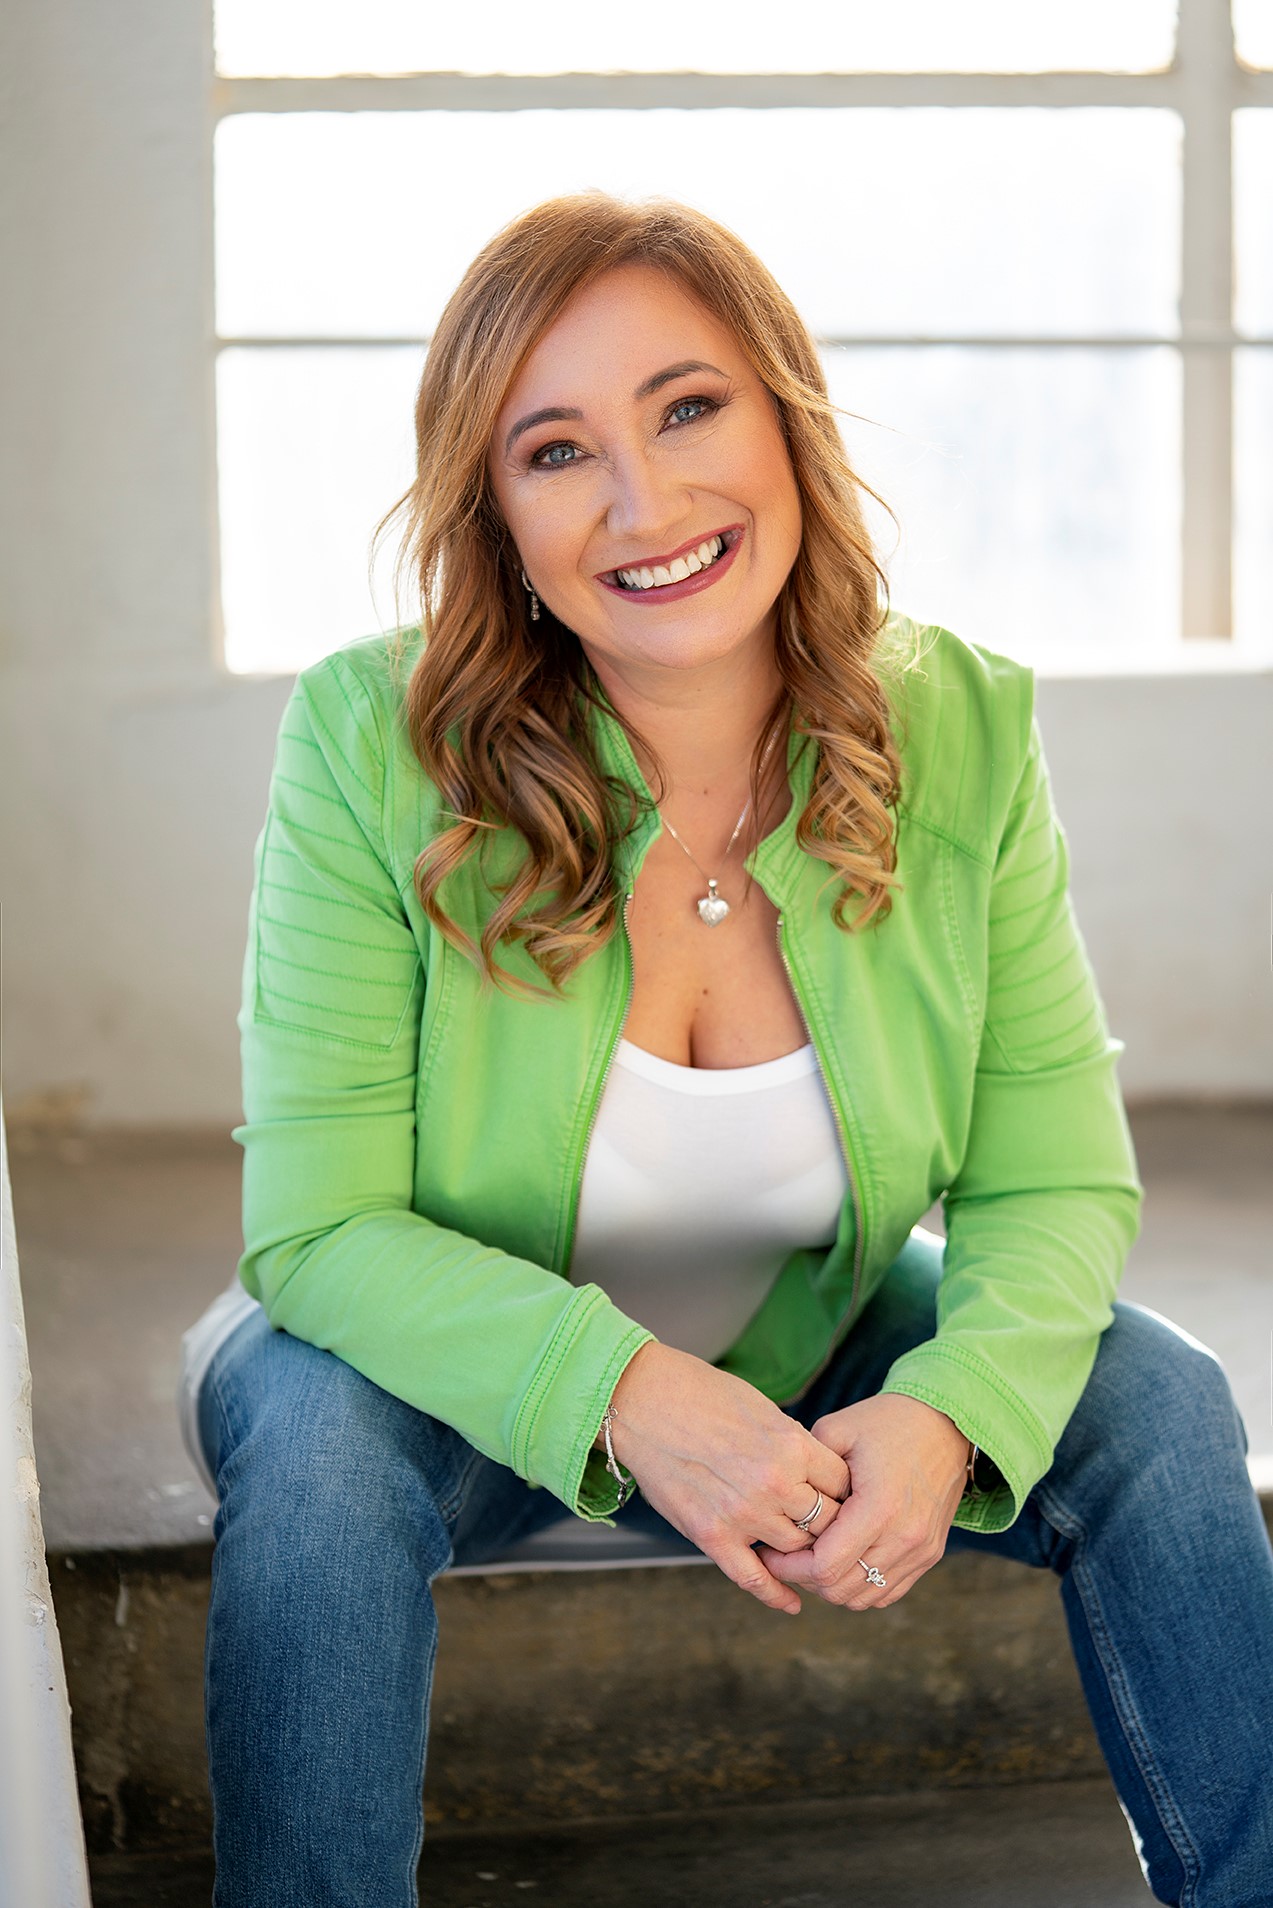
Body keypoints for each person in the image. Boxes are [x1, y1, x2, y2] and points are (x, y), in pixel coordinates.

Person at [181, 193, 1273, 1907]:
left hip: (809, 1336)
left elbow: (1052, 1178)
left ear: (784, 418)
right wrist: (631, 1394)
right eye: (556, 451)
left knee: (1159, 1397)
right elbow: (318, 1232)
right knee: (313, 1455)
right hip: (431, 1379)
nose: (645, 502)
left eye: (687, 408)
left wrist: (949, 1411)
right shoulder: (369, 743)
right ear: (497, 517)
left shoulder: (959, 726)